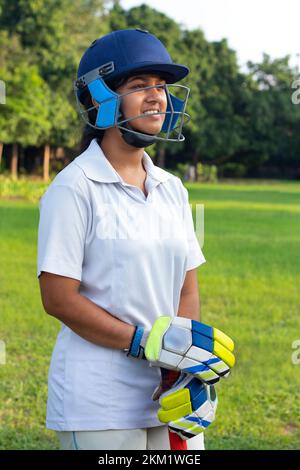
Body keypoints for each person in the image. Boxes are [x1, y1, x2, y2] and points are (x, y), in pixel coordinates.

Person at [37, 29, 235, 451]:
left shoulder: (172, 188)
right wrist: (144, 344)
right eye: (139, 86)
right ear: (100, 97)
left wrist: (183, 369)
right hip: (98, 402)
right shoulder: (74, 187)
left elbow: (186, 288)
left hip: (168, 398)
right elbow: (58, 298)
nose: (157, 97)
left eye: (161, 87)